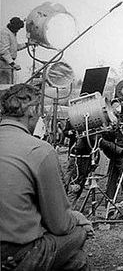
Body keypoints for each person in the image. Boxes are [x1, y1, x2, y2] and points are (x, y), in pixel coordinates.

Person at [0, 83, 93, 270]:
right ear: (32, 110)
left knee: (76, 261)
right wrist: (77, 218)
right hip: (13, 251)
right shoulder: (39, 150)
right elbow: (60, 225)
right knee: (79, 234)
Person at [63, 119, 99, 209]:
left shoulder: (90, 120)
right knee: (72, 182)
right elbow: (65, 132)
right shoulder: (72, 118)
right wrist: (69, 132)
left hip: (86, 155)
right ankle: (67, 208)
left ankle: (68, 207)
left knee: (77, 183)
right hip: (75, 156)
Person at [99, 127, 123, 200]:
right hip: (114, 151)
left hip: (119, 150)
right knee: (121, 163)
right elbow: (105, 143)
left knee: (113, 174)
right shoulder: (105, 129)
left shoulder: (121, 124)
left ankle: (109, 198)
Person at [0, 17, 27, 84]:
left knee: (9, 84)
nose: (17, 30)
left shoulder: (12, 33)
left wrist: (27, 44)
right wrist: (13, 64)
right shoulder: (4, 33)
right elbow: (4, 51)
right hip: (3, 63)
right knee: (4, 86)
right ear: (13, 26)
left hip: (8, 63)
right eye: (17, 29)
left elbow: (15, 47)